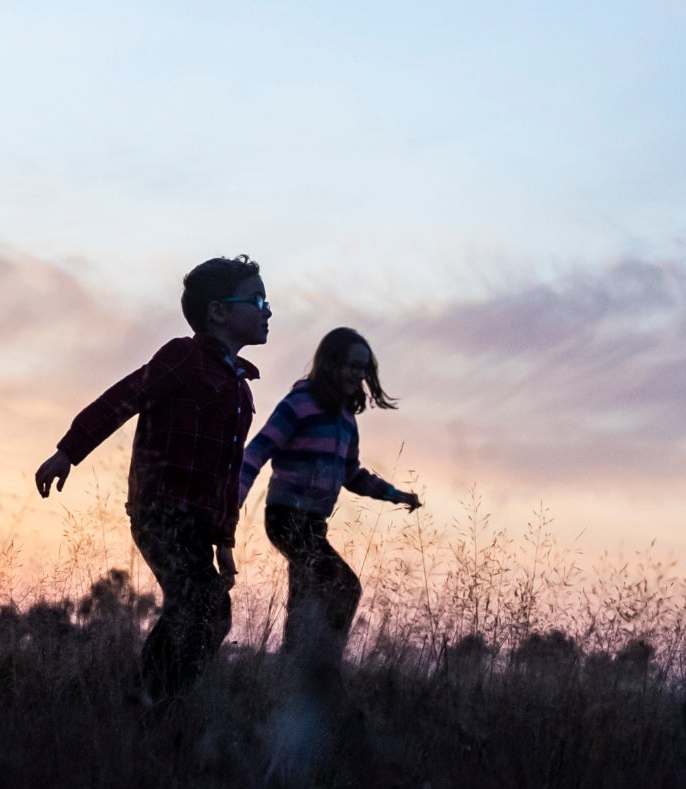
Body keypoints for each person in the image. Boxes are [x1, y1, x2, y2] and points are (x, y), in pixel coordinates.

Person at [36, 256, 269, 703]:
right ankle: (151, 702)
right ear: (219, 311)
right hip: (160, 511)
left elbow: (227, 478)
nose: (267, 310)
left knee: (209, 611)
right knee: (200, 605)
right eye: (257, 300)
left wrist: (225, 544)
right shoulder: (182, 357)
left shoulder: (241, 391)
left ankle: (158, 699)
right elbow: (124, 397)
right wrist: (69, 451)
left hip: (201, 528)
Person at [237, 328, 420, 666]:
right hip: (286, 517)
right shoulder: (300, 403)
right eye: (352, 365)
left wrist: (395, 494)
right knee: (345, 587)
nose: (358, 374)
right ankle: (324, 666)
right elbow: (258, 450)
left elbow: (352, 474)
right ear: (330, 363)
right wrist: (232, 502)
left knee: (304, 599)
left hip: (315, 522)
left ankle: (290, 672)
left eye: (364, 369)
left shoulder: (347, 420)